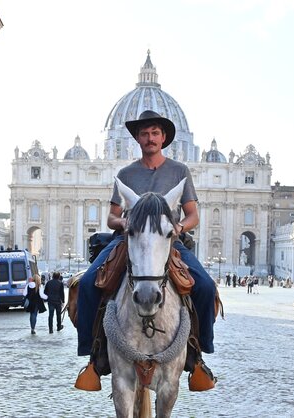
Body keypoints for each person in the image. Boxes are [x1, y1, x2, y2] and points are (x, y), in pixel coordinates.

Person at [75, 110, 216, 368]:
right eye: (144, 134)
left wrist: (179, 228)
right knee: (86, 284)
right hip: (128, 241)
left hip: (169, 241)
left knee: (206, 287)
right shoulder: (126, 174)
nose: (150, 138)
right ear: (137, 139)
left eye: (155, 133)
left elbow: (193, 214)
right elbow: (111, 218)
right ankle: (92, 353)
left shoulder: (179, 171)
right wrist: (124, 223)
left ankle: (199, 352)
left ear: (163, 138)